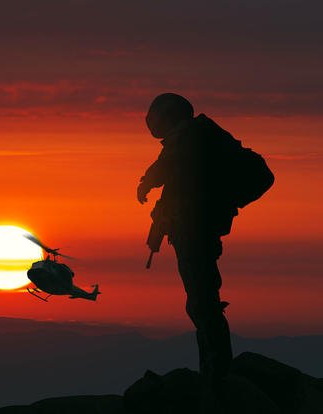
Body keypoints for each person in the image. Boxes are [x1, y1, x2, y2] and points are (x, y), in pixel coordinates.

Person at [137, 93, 240, 409]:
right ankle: (214, 369)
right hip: (200, 229)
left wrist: (145, 183)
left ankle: (217, 373)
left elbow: (164, 167)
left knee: (201, 301)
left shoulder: (186, 138)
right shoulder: (199, 138)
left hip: (194, 231)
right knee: (203, 297)